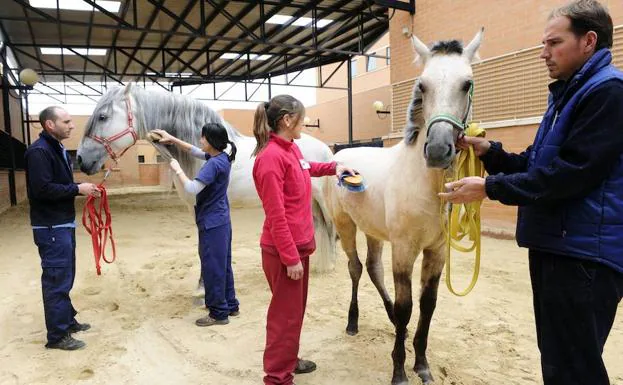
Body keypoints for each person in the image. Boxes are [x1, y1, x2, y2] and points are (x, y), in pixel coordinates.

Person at [439, 1, 623, 384]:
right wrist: (491, 154)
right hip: (561, 247)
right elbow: (540, 167)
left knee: (573, 369)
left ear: (588, 41)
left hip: (582, 256)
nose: (543, 53)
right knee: (560, 363)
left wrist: (489, 188)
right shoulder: (570, 96)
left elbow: (570, 175)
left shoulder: (607, 94)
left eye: (553, 43)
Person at [252, 95, 355, 385]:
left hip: (297, 248)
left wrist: (335, 168)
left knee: (293, 313)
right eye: (302, 118)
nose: (304, 124)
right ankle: (277, 378)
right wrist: (290, 258)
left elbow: (306, 168)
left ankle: (288, 361)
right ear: (287, 120)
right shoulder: (271, 158)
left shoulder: (291, 150)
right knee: (284, 317)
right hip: (285, 252)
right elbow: (276, 215)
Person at [25, 106, 100, 350]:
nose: (71, 125)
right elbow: (42, 189)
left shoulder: (55, 148)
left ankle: (67, 320)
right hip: (51, 226)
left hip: (62, 223)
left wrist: (81, 186)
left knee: (65, 275)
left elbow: (60, 183)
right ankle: (57, 337)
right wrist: (77, 190)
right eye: (66, 121)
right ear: (49, 124)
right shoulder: (39, 152)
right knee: (56, 279)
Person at [153, 123, 240, 327]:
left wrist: (177, 169)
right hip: (221, 220)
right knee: (223, 264)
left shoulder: (213, 164)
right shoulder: (221, 157)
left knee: (212, 267)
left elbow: (192, 188)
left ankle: (218, 313)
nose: (200, 142)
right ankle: (230, 304)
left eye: (202, 138)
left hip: (211, 222)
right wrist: (172, 139)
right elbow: (194, 150)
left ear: (210, 140)